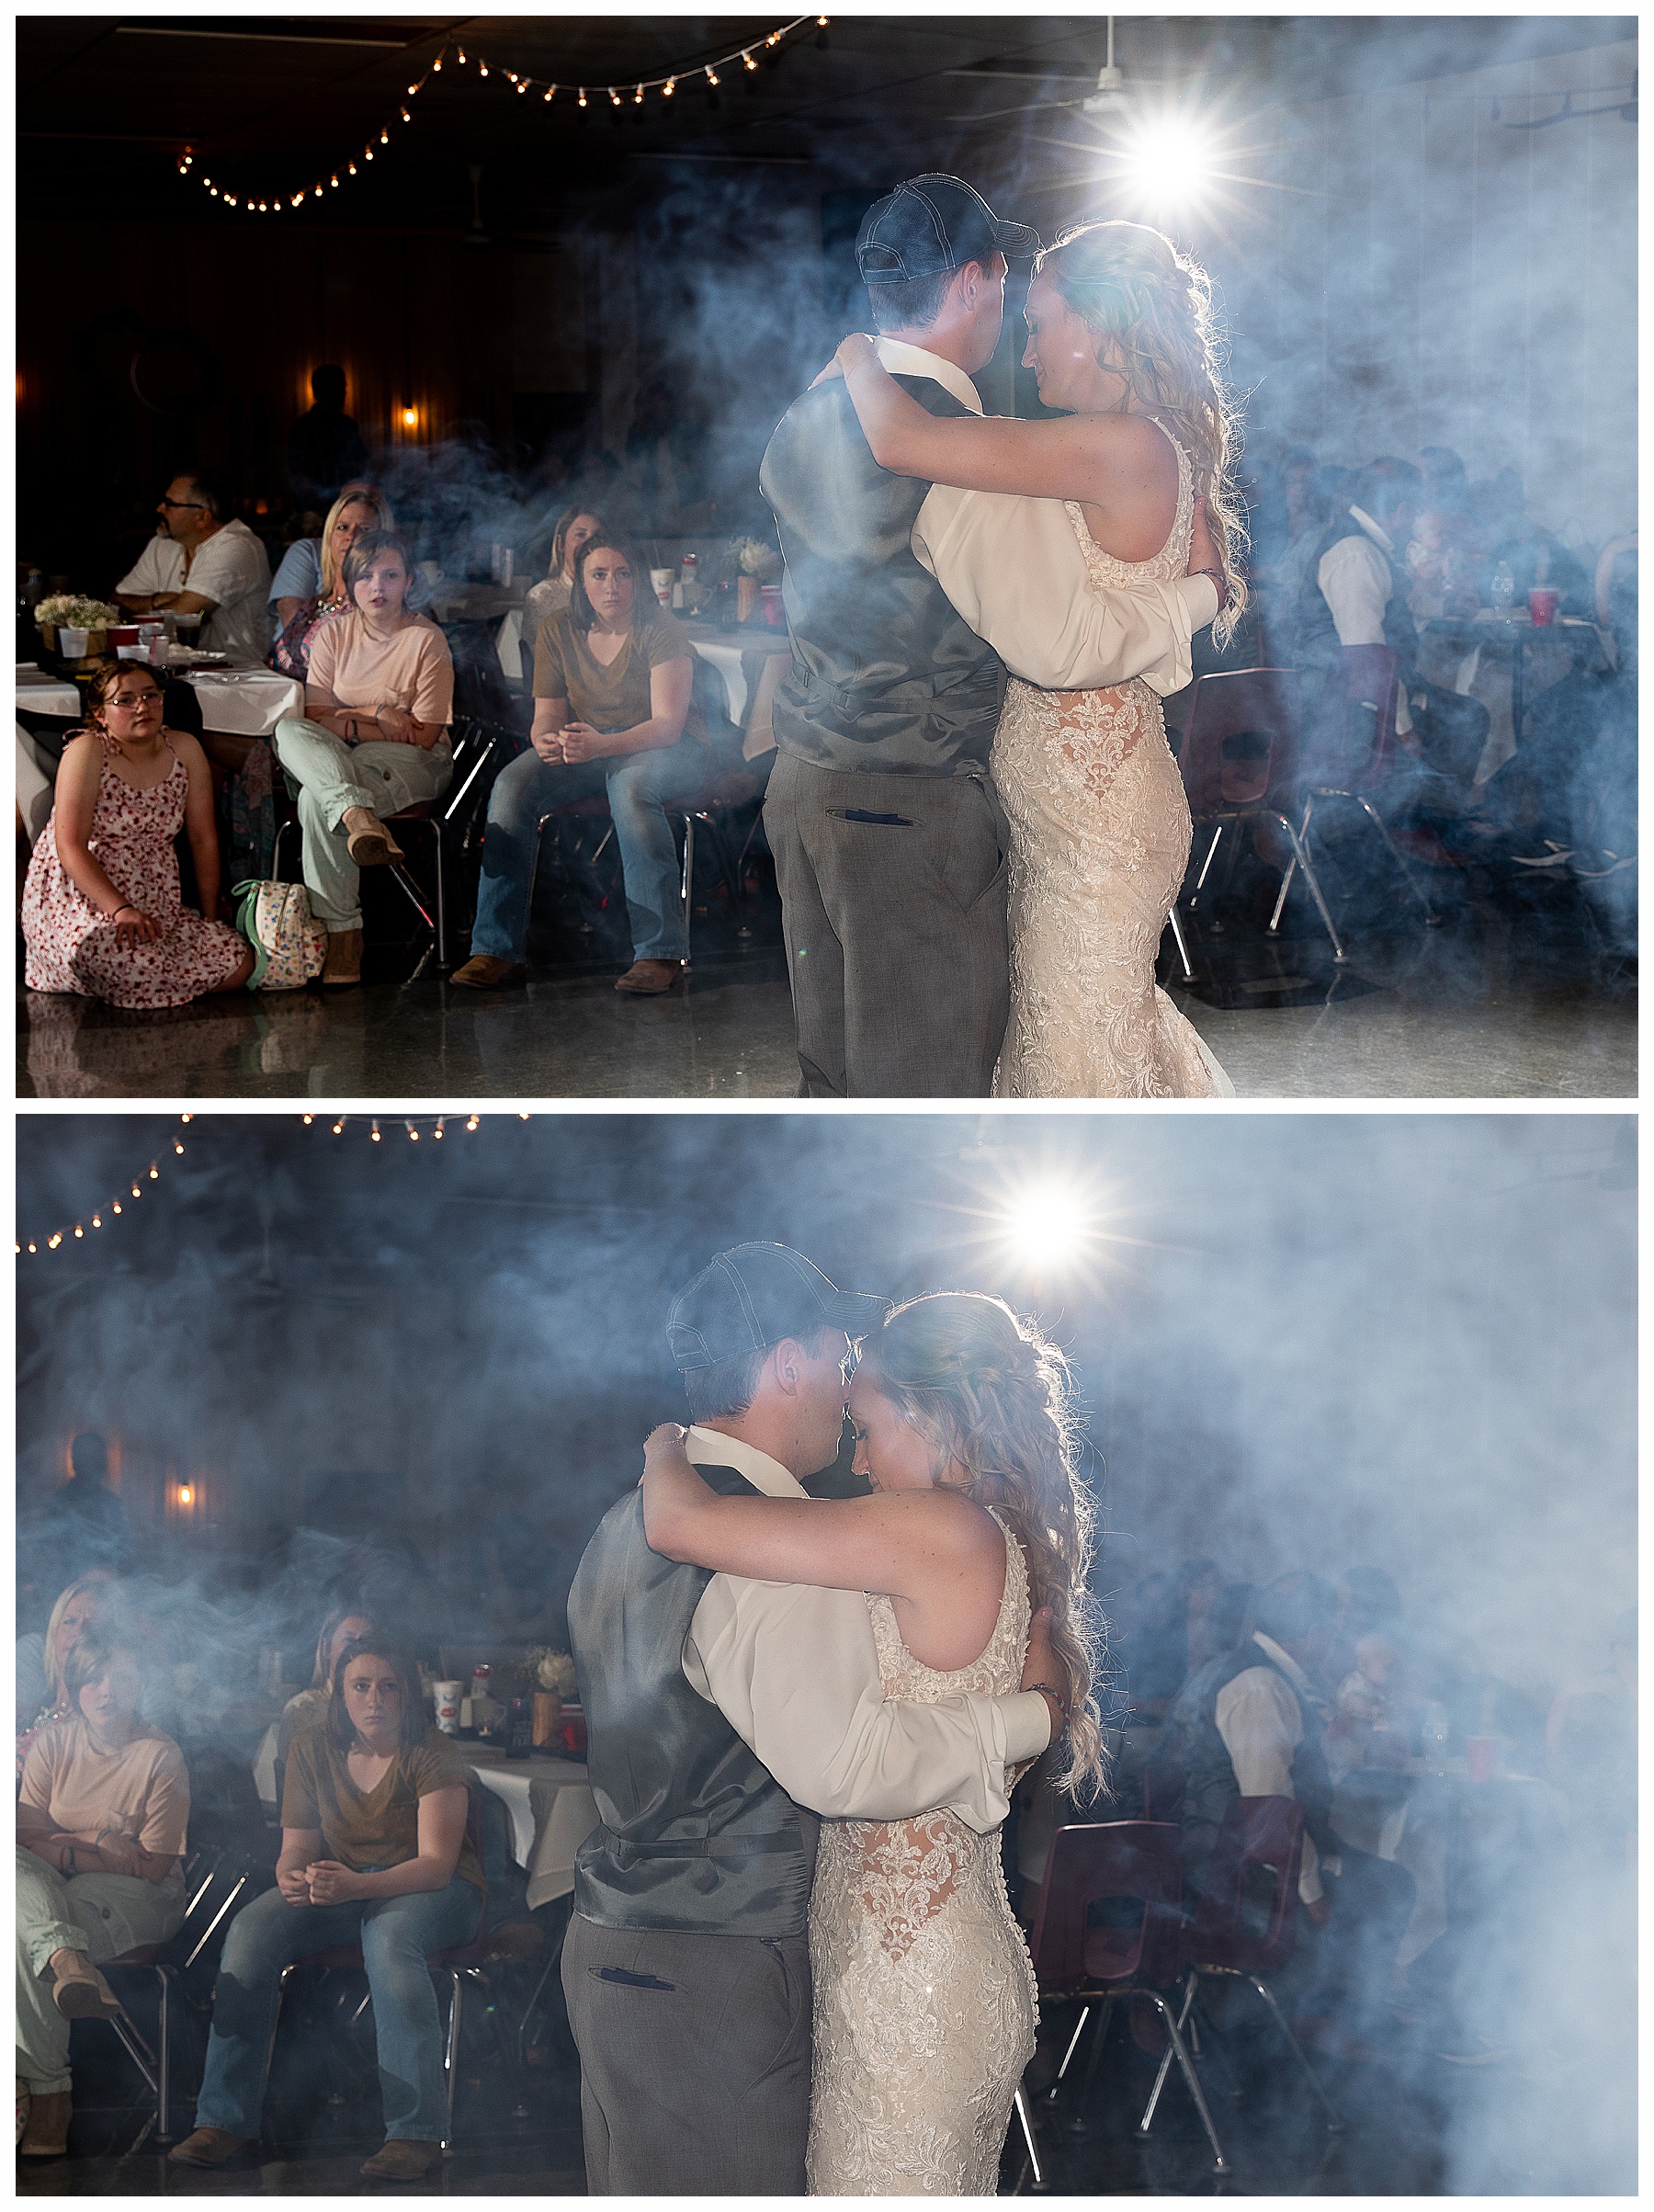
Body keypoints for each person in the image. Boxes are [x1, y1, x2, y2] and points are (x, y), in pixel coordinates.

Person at [562, 1242, 1066, 2195]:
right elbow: (845, 1766)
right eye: (840, 1363)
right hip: (712, 1975)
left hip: (615, 1944)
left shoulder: (627, 1518)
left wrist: (664, 1448)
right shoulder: (765, 1542)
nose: (847, 1395)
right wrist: (1028, 1721)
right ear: (787, 1363)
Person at [762, 176, 1226, 1098]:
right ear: (972, 282)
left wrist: (854, 355)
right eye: (1014, 297)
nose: (1022, 326)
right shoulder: (958, 448)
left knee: (837, 1084)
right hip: (909, 812)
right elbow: (1059, 644)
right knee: (925, 1099)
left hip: (806, 787)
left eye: (1041, 316)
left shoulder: (808, 415)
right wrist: (1199, 600)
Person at [169, 1640, 484, 2181]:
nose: (375, 1699)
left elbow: (434, 1865)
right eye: (360, 1686)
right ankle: (225, 2120)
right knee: (251, 1928)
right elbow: (298, 1844)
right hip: (347, 1886)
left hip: (435, 1892)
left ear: (409, 1695)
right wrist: (290, 1875)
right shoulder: (312, 1748)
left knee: (388, 1942)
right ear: (338, 1695)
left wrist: (355, 1886)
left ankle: (416, 2133)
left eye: (389, 1686)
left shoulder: (432, 1752)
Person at [1165, 1571, 1414, 2048]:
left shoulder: (1251, 1670)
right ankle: (1313, 2030)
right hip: (1227, 1872)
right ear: (1314, 1633)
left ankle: (1325, 2019)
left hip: (1218, 1857)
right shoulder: (1261, 1685)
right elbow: (1269, 1812)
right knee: (1387, 1887)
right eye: (1334, 1628)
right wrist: (1311, 1893)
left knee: (1376, 1878)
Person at [450, 533, 700, 996]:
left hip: (663, 747)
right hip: (591, 746)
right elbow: (548, 712)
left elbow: (668, 725)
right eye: (599, 575)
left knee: (630, 789)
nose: (612, 586)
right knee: (511, 785)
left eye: (623, 574)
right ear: (580, 582)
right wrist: (544, 740)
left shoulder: (659, 627)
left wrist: (601, 746)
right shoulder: (558, 628)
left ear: (638, 579)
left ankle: (659, 953)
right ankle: (495, 948)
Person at [17, 1637, 190, 2157]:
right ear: (73, 1689)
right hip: (57, 1883)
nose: (107, 1691)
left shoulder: (162, 1756)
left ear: (142, 1687)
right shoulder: (52, 1744)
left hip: (143, 1895)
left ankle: (48, 2094)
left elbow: (151, 1865)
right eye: (94, 1678)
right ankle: (65, 1959)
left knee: (18, 1936)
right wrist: (95, 1842)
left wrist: (61, 1845)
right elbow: (23, 1834)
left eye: (122, 1678)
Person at [273, 530, 454, 987]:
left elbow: (425, 734)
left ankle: (344, 939)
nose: (378, 587)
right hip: (342, 756)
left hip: (415, 759)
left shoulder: (426, 639)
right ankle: (356, 814)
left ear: (409, 581)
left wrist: (348, 721)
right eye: (366, 577)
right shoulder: (333, 634)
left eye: (390, 575)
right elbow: (314, 718)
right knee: (286, 728)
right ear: (349, 584)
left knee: (318, 800)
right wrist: (376, 713)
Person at [21, 662, 255, 1007]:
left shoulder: (184, 748)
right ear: (101, 715)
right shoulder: (88, 751)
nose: (142, 707)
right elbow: (69, 847)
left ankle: (157, 982)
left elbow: (203, 838)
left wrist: (209, 917)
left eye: (150, 696)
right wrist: (121, 910)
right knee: (130, 964)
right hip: (82, 899)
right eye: (126, 700)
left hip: (155, 899)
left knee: (238, 960)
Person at [1292, 456, 1490, 852]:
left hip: (1351, 696)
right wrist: (1403, 728)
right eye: (1414, 509)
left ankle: (1419, 832)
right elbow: (1368, 662)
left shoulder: (1364, 547)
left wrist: (1439, 606)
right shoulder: (1355, 553)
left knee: (1465, 713)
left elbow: (1386, 618)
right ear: (1400, 511)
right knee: (1463, 721)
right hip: (1343, 711)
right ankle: (1409, 837)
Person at [111, 471, 274, 663]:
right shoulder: (162, 544)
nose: (160, 508)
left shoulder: (236, 545)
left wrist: (158, 608)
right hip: (175, 666)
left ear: (202, 517)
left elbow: (189, 614)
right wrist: (159, 600)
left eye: (170, 504)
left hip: (238, 671)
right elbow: (117, 603)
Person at [267, 482, 396, 677]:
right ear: (329, 535)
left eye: (365, 530)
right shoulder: (313, 605)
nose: (351, 536)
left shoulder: (377, 607)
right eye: (342, 527)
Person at [17, 1571, 119, 1774]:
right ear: (54, 1632)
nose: (79, 1630)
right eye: (70, 1621)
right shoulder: (36, 1707)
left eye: (92, 1623)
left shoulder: (99, 1721)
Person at [276, 1605, 381, 1766]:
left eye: (366, 1640)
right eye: (348, 1639)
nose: (358, 1647)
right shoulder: (303, 1709)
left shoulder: (382, 1704)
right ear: (326, 1648)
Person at [287, 365, 370, 513]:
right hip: (316, 510)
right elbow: (298, 472)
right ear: (321, 390)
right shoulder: (304, 427)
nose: (343, 392)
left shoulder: (348, 426)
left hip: (350, 504)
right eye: (337, 387)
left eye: (343, 387)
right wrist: (317, 499)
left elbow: (362, 465)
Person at [520, 505, 606, 637]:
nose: (589, 542)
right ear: (561, 544)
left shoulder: (613, 591)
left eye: (596, 536)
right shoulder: (543, 597)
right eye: (580, 534)